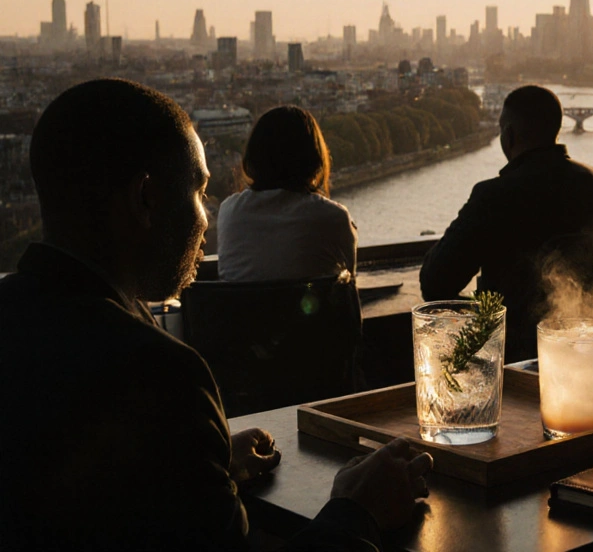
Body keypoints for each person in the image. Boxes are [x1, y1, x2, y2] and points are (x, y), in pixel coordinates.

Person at [0, 79, 431, 551]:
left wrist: (204, 461)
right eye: (200, 193)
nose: (208, 217)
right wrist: (357, 508)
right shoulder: (162, 375)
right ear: (147, 199)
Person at [420, 85, 593, 362]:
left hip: (510, 352)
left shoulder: (496, 195)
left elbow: (435, 282)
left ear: (508, 135)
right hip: (582, 344)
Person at [217, 105, 358, 282]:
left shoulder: (229, 211)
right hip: (309, 309)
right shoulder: (334, 217)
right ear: (313, 159)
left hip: (243, 310)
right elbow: (350, 279)